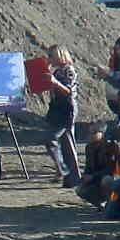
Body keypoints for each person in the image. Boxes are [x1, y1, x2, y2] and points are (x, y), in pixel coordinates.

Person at [44, 45, 81, 188]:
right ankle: (68, 175)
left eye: (51, 56)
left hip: (67, 109)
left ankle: (67, 172)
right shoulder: (57, 71)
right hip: (57, 108)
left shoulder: (68, 70)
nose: (49, 59)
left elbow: (69, 91)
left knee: (60, 141)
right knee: (65, 143)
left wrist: (54, 82)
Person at [76, 122, 117, 209]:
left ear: (102, 133)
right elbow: (88, 166)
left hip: (109, 178)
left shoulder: (111, 146)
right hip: (96, 179)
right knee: (80, 189)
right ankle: (100, 205)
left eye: (94, 132)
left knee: (107, 180)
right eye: (90, 132)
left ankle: (112, 204)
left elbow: (111, 168)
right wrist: (85, 177)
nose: (91, 135)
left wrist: (93, 176)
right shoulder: (89, 147)